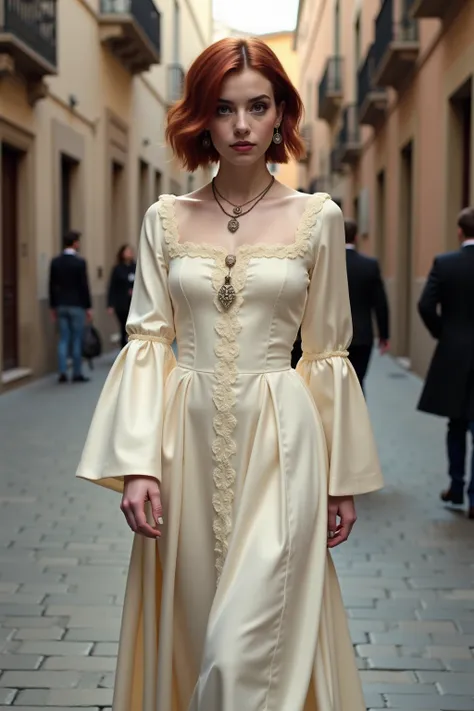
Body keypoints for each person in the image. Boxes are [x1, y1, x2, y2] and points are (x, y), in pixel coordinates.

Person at [76, 38, 383, 711]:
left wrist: (341, 479)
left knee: (246, 644)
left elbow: (328, 351)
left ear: (280, 115)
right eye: (223, 109)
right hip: (180, 445)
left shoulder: (318, 218)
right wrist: (137, 464)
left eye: (257, 107)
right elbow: (148, 339)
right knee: (191, 624)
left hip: (283, 446)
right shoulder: (165, 218)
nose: (241, 125)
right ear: (201, 119)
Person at [418, 207, 474, 520]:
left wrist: (445, 334)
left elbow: (425, 305)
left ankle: (456, 486)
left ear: (459, 231)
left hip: (454, 353)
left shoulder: (445, 263)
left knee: (456, 423)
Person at [344, 219, 390, 391]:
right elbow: (380, 303)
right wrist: (384, 335)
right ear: (356, 238)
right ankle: (358, 416)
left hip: (333, 335)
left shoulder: (326, 264)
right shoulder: (369, 266)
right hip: (362, 335)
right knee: (358, 381)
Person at [49, 230, 92, 383]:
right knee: (76, 339)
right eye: (78, 242)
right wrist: (88, 307)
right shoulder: (80, 263)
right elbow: (84, 286)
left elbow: (52, 285)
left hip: (61, 305)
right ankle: (77, 373)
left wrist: (53, 306)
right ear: (74, 243)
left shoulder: (55, 262)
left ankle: (62, 372)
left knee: (63, 339)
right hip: (77, 305)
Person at [107, 244, 136, 348]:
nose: (129, 253)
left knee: (133, 328)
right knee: (123, 327)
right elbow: (112, 287)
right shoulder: (117, 269)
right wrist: (110, 304)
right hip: (121, 303)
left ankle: (132, 349)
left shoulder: (135, 267)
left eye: (130, 251)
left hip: (134, 303)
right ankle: (124, 349)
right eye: (127, 251)